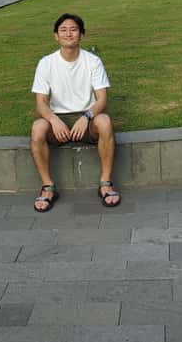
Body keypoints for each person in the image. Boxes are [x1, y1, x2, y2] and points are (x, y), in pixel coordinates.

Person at [30, 12, 121, 213]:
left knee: (104, 121)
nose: (68, 34)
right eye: (63, 30)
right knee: (38, 127)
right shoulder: (46, 63)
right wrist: (53, 119)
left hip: (86, 118)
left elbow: (102, 98)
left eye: (73, 30)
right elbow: (41, 103)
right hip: (58, 122)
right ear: (56, 36)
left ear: (81, 35)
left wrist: (86, 116)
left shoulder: (93, 61)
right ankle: (48, 187)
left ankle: (105, 183)